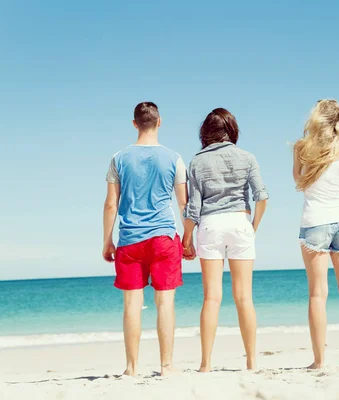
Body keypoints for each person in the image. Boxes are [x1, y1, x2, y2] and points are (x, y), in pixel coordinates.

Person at [102, 102, 187, 377]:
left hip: (129, 239)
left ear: (134, 123)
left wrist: (107, 240)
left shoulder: (118, 158)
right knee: (165, 303)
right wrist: (188, 238)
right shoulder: (174, 158)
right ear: (159, 122)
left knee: (131, 305)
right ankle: (166, 366)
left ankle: (131, 368)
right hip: (163, 237)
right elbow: (184, 204)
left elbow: (110, 204)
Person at [182, 108, 269, 373]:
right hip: (240, 222)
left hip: (211, 224)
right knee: (244, 297)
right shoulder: (247, 157)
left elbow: (193, 208)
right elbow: (262, 197)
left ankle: (206, 364)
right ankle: (252, 362)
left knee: (211, 298)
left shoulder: (197, 161)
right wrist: (252, 226)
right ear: (232, 130)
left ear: (206, 132)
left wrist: (187, 239)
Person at [293, 99, 339, 369]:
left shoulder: (302, 148)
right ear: (338, 122)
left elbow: (298, 182)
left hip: (314, 222)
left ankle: (319, 361)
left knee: (317, 294)